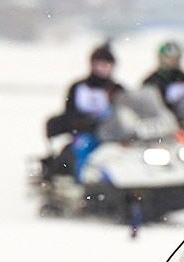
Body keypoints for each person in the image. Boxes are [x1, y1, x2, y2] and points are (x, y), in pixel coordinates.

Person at [44, 42, 125, 179]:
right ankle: (83, 181)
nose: (103, 69)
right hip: (86, 133)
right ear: (92, 65)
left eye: (107, 65)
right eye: (100, 65)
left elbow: (125, 112)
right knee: (83, 148)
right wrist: (83, 122)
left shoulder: (118, 89)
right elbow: (70, 112)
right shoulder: (78, 87)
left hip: (111, 134)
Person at [142, 40, 184, 119]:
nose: (173, 61)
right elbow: (146, 104)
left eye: (176, 58)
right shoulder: (152, 81)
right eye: (169, 58)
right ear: (161, 58)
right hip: (162, 121)